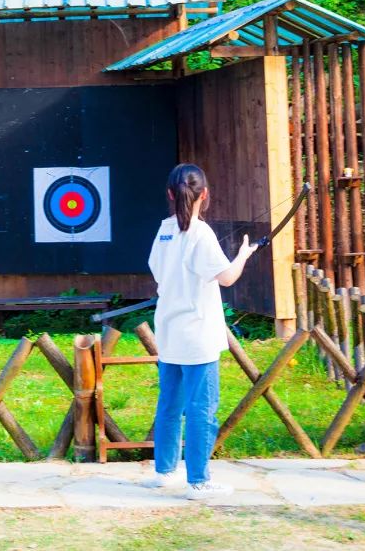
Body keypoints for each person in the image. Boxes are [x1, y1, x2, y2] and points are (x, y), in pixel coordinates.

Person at [142, 163, 257, 500]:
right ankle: (199, 480)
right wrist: (244, 255)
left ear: (169, 194)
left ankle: (165, 471)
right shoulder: (200, 233)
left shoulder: (164, 231)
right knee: (201, 408)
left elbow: (159, 273)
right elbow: (226, 277)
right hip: (198, 336)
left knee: (169, 405)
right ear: (204, 195)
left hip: (169, 330)